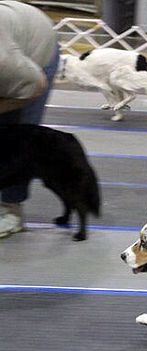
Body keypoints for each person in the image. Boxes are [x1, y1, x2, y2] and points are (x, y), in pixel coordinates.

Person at [0, 1, 59, 238]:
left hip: (35, 55)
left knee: (16, 135)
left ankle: (11, 211)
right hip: (12, 27)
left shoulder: (6, 63)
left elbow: (34, 86)